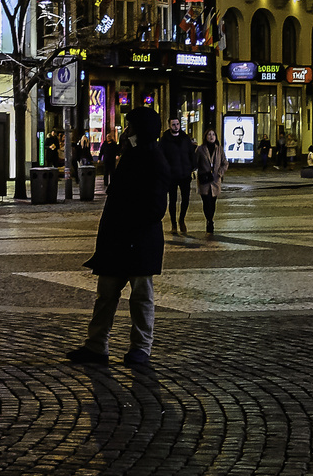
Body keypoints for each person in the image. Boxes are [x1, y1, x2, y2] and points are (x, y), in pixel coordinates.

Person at [66, 107, 171, 367]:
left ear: (141, 129)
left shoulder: (153, 158)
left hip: (138, 240)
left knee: (141, 297)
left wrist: (130, 222)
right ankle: (96, 345)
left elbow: (156, 208)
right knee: (106, 295)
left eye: (130, 126)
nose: (126, 131)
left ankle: (140, 348)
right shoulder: (132, 154)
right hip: (118, 240)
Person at [161, 119, 199, 234]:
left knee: (186, 199)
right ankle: (173, 223)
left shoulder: (185, 138)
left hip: (184, 174)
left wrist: (193, 166)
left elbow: (191, 153)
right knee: (172, 200)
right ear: (169, 125)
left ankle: (181, 219)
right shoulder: (165, 140)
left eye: (177, 124)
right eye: (173, 124)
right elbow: (162, 157)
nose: (176, 126)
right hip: (172, 176)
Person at [195, 128, 225, 233]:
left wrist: (220, 172)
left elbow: (225, 163)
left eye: (213, 134)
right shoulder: (200, 149)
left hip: (215, 180)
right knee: (206, 202)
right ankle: (209, 220)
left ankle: (210, 220)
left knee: (213, 203)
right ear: (205, 136)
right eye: (209, 134)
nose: (211, 136)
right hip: (204, 180)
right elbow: (196, 163)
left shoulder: (219, 149)